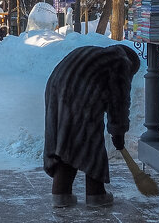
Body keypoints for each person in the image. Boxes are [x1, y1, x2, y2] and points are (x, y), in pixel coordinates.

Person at [44, 44, 140, 208]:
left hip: (55, 89)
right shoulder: (120, 61)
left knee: (66, 139)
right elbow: (119, 101)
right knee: (90, 140)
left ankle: (61, 193)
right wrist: (118, 131)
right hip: (80, 93)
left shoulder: (95, 53)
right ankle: (96, 194)